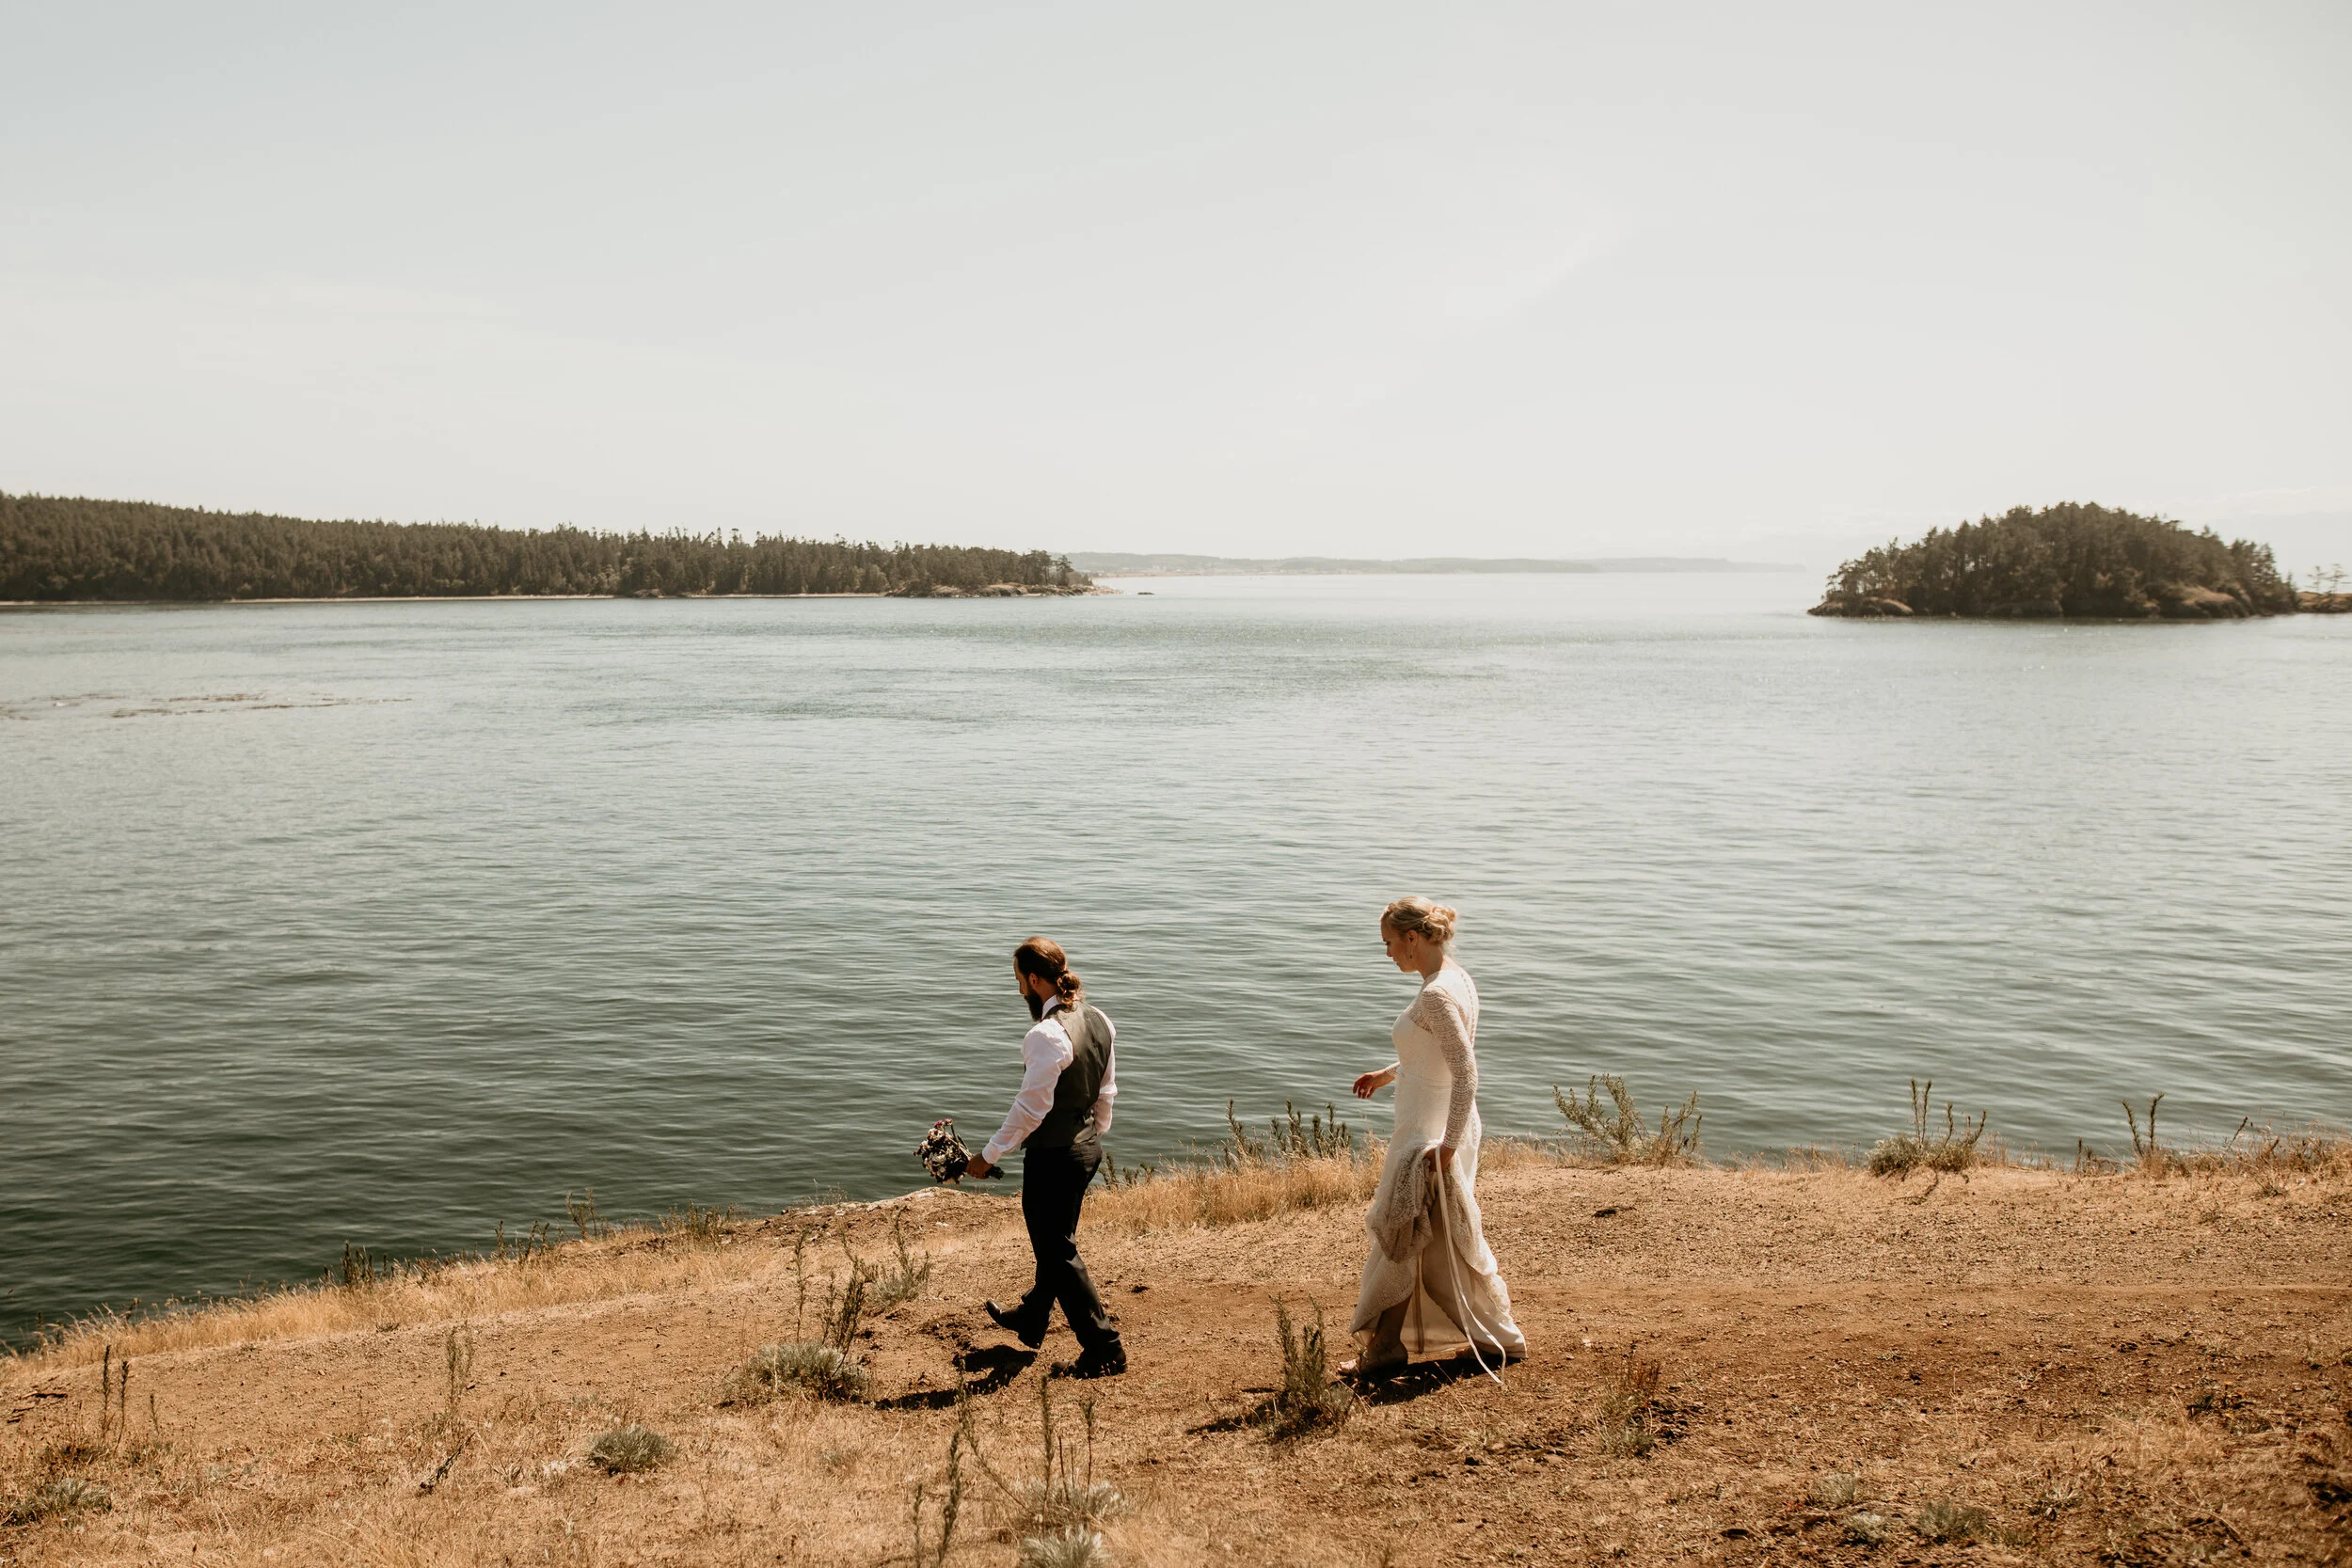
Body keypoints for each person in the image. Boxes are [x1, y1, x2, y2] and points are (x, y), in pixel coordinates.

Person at [1343, 896, 1526, 1378]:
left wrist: (1446, 1146)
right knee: (1430, 1238)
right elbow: (1432, 1056)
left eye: (1389, 943)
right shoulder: (1456, 978)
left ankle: (1394, 1346)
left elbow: (1466, 1073)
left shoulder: (1436, 996)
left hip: (1431, 1134)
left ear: (1412, 938)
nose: (1387, 954)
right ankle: (1480, 1339)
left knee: (1407, 1232)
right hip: (1439, 1127)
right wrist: (1388, 1074)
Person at [964, 936, 1128, 1378]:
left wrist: (987, 1155)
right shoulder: (1100, 1020)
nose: (1019, 989)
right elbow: (1106, 1091)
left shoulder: (1045, 1035)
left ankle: (1104, 1348)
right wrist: (1092, 1135)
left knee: (1057, 1252)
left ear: (1035, 980)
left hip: (1054, 1157)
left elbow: (1030, 1110)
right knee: (1056, 1244)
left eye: (1019, 980)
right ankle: (1034, 1315)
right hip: (1085, 1150)